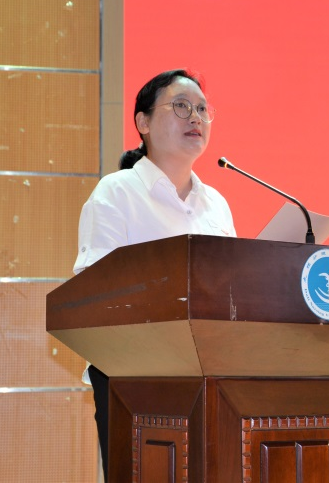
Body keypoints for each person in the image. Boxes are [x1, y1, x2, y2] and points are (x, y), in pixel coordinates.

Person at [72, 69, 236, 480]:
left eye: (202, 109)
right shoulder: (116, 193)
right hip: (133, 380)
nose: (195, 117)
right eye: (181, 106)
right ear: (142, 122)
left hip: (209, 378)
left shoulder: (216, 204)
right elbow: (94, 296)